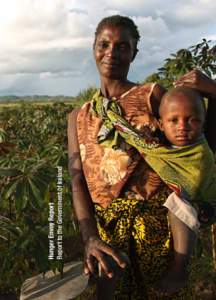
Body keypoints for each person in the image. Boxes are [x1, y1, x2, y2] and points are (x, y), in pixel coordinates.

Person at [67, 15, 216, 299]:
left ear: (134, 52)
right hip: (108, 236)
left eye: (123, 46)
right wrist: (90, 239)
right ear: (94, 48)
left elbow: (199, 146)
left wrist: (215, 95)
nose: (112, 52)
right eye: (105, 44)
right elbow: (76, 180)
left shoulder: (152, 96)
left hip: (159, 231)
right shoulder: (78, 116)